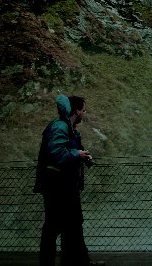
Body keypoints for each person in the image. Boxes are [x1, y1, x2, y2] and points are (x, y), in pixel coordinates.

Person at [33, 94, 103, 266]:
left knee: (71, 225)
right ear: (76, 111)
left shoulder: (68, 128)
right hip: (58, 185)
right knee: (56, 226)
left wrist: (81, 156)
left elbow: (65, 151)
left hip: (64, 184)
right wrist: (76, 154)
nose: (84, 113)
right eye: (83, 110)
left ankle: (76, 261)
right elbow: (56, 154)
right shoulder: (60, 127)